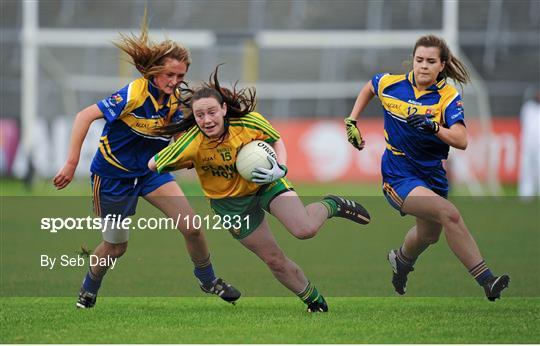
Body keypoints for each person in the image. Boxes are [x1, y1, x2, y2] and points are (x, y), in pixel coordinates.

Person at [148, 66, 371, 312]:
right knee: (274, 260)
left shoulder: (248, 122)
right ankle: (314, 302)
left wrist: (281, 169)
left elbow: (277, 140)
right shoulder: (192, 142)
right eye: (200, 115)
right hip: (230, 206)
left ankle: (332, 204)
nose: (207, 120)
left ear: (223, 109)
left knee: (305, 229)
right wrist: (186, 160)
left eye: (212, 112)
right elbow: (153, 164)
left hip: (266, 182)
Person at [53, 17, 240, 308]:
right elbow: (84, 116)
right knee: (116, 247)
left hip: (151, 174)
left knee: (192, 227)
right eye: (169, 75)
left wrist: (189, 157)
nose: (175, 82)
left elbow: (179, 140)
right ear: (154, 72)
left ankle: (208, 280)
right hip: (113, 178)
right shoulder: (133, 94)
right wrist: (70, 162)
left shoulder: (177, 101)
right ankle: (89, 287)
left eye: (180, 76)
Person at [344, 35, 510, 301]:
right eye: (419, 59)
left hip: (432, 175)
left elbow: (462, 140)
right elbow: (370, 86)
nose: (423, 65)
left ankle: (400, 260)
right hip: (398, 176)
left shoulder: (447, 96)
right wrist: (352, 121)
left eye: (431, 61)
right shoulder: (393, 83)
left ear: (441, 65)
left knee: (428, 235)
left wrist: (435, 127)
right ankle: (487, 280)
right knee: (450, 214)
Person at [518, 88, 540, 199]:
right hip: (527, 144)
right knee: (526, 169)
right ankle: (526, 194)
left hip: (539, 145)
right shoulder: (528, 107)